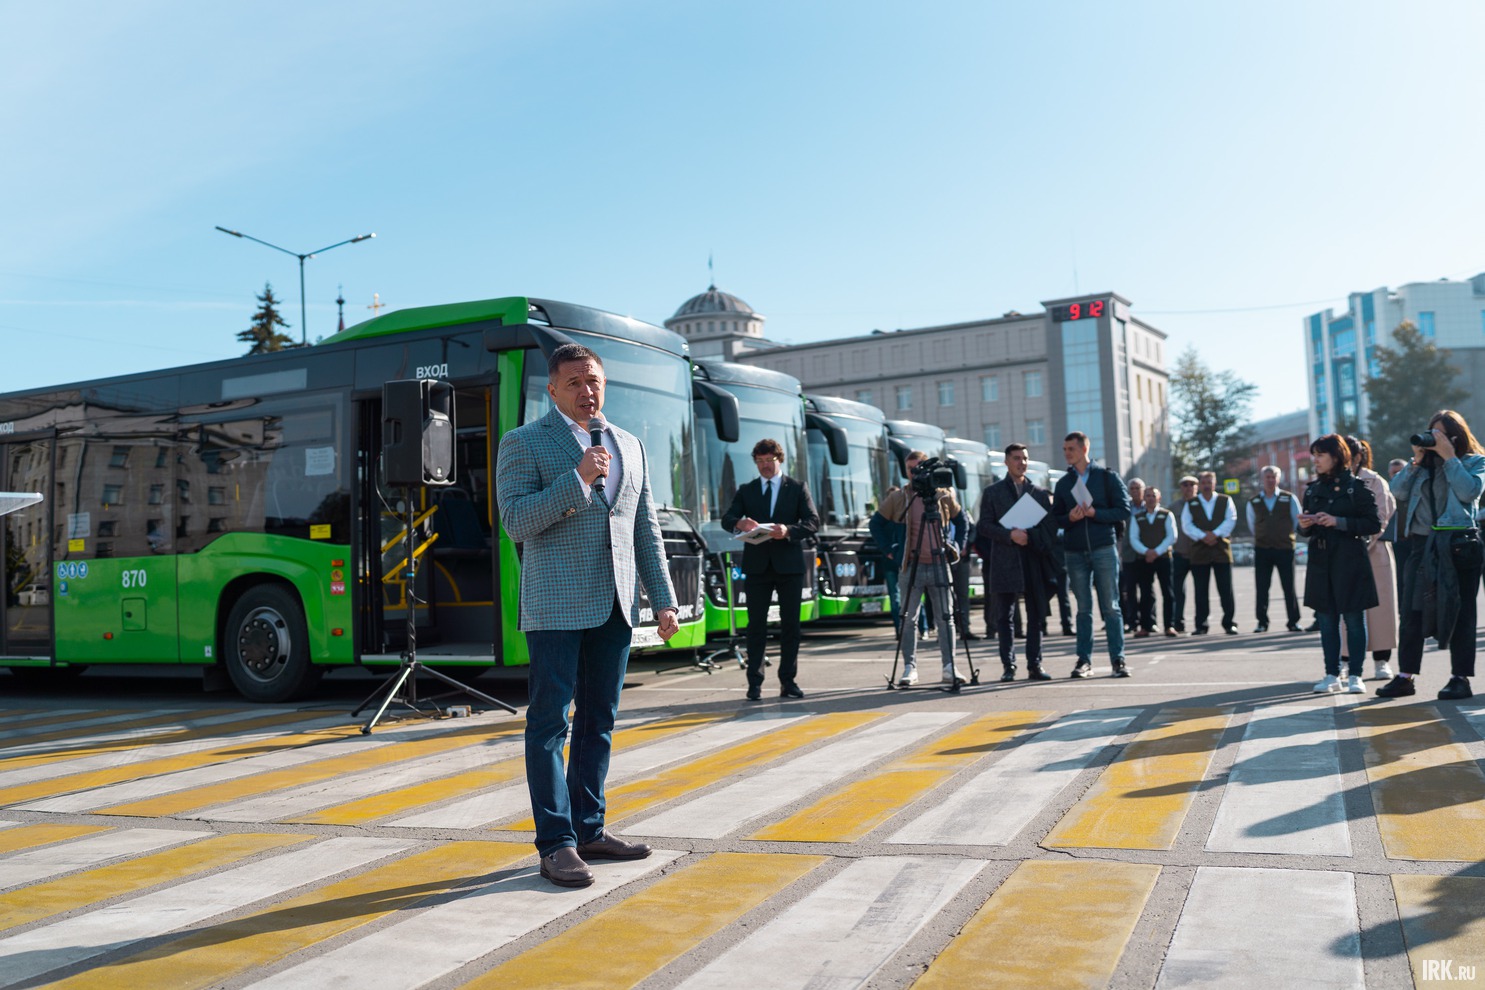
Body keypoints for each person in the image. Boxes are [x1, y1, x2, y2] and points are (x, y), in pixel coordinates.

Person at [496, 343, 679, 889]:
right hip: (555, 604)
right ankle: (556, 843)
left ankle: (590, 829)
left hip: (616, 604)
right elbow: (515, 521)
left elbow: (643, 527)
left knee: (599, 720)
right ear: (552, 389)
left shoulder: (629, 444)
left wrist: (663, 598)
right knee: (550, 723)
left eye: (593, 380)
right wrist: (576, 480)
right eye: (574, 382)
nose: (586, 390)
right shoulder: (523, 441)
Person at [1378, 409, 1485, 701]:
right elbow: (1398, 492)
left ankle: (1460, 679)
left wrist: (1450, 458)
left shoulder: (1475, 461)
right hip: (1421, 544)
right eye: (1430, 433)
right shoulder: (1422, 465)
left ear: (1455, 437)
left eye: (1439, 435)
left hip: (1459, 543)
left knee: (1461, 612)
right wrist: (1416, 461)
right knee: (1411, 612)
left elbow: (1468, 492)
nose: (1432, 440)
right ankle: (1405, 677)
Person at [721, 438, 821, 701]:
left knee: (790, 626)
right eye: (760, 461)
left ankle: (788, 681)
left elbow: (813, 522)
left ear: (780, 460)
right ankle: (754, 683)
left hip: (789, 566)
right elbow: (726, 519)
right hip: (757, 567)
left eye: (769, 460)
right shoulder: (747, 490)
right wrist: (740, 523)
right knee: (756, 626)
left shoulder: (797, 488)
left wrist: (788, 530)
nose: (765, 465)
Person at [1300, 434, 1380, 694]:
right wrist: (1304, 525)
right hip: (1321, 561)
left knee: (1354, 619)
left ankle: (1356, 674)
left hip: (1350, 560)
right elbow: (1305, 529)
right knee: (1326, 621)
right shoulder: (1312, 489)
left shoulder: (1356, 487)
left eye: (1320, 455)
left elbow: (1373, 524)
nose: (1315, 461)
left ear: (1336, 457)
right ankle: (1331, 674)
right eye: (1314, 455)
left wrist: (1338, 522)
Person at [975, 443, 1059, 681]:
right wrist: (1009, 535)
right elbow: (983, 526)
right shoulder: (993, 492)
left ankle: (1035, 665)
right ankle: (1008, 666)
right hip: (1005, 559)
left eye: (1025, 458)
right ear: (1006, 462)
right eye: (1016, 458)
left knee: (1036, 615)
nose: (1021, 462)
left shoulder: (1038, 493)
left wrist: (1029, 536)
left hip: (1033, 560)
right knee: (1005, 617)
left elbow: (1049, 527)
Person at [879, 451, 963, 687]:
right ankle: (910, 668)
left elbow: (962, 520)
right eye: (910, 470)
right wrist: (892, 551)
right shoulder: (900, 497)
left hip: (939, 563)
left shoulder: (942, 494)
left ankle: (949, 667)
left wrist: (957, 546)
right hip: (911, 565)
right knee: (908, 618)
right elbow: (877, 523)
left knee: (946, 617)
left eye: (919, 468)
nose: (915, 474)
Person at [1052, 432, 1132, 678]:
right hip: (1074, 551)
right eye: (1065, 449)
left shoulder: (1107, 477)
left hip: (1103, 548)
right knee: (1083, 609)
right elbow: (1055, 518)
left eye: (1071, 449)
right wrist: (1070, 518)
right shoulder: (1063, 483)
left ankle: (1118, 660)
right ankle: (1084, 661)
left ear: (1084, 449)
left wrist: (1095, 513)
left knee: (1111, 607)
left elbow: (1124, 510)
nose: (1067, 453)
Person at [1340, 437, 1397, 680]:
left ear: (1358, 456)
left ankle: (1381, 660)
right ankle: (1344, 660)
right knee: (1346, 610)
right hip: (1343, 554)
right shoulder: (1333, 482)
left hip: (1374, 552)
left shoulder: (1376, 481)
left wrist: (1360, 544)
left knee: (1380, 611)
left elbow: (1381, 518)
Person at [1181, 471, 1239, 635]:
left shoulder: (1225, 500)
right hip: (1200, 552)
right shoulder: (1191, 503)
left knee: (1225, 589)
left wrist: (1215, 534)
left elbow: (1231, 519)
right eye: (1204, 482)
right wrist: (1203, 536)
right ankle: (1201, 625)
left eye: (1209, 482)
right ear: (1199, 485)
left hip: (1221, 551)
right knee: (1200, 590)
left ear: (1214, 483)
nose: (1206, 485)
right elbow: (1187, 525)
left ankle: (1229, 623)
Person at [1246, 465, 1302, 633]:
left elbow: (1296, 521)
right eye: (1267, 477)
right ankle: (1262, 622)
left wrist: (1283, 535)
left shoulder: (1289, 498)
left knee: (1288, 586)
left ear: (1278, 479)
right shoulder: (1254, 501)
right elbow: (1252, 525)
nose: (1270, 480)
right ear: (1262, 479)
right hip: (1263, 549)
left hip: (1285, 548)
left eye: (1273, 477)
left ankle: (1293, 621)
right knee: (1262, 587)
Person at [1129, 486, 1178, 638]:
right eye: (1148, 496)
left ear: (1159, 498)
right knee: (1145, 593)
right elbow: (1133, 538)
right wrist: (1146, 552)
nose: (1150, 498)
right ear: (1144, 498)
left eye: (1153, 496)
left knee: (1168, 592)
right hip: (1144, 559)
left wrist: (1156, 551)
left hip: (1163, 558)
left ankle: (1169, 625)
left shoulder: (1166, 515)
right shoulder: (1137, 517)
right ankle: (1145, 626)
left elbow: (1172, 536)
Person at [868, 493, 905, 631]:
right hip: (892, 564)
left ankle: (921, 628)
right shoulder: (884, 520)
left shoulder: (904, 516)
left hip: (904, 563)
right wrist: (888, 551)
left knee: (910, 597)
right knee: (897, 598)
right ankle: (900, 629)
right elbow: (874, 526)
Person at [1169, 476, 1198, 634]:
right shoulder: (1173, 507)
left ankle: (1200, 623)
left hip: (1199, 554)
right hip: (1179, 554)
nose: (1188, 487)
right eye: (1185, 485)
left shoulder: (1201, 505)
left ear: (1196, 487)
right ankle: (1177, 622)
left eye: (1191, 484)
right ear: (1181, 488)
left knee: (1200, 591)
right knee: (1177, 591)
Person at [1119, 477, 1146, 632]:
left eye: (1138, 488)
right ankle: (1132, 621)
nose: (1135, 491)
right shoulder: (1124, 508)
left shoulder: (1149, 506)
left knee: (1147, 590)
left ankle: (1148, 620)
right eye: (1132, 488)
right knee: (1129, 590)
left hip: (1146, 553)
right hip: (1128, 554)